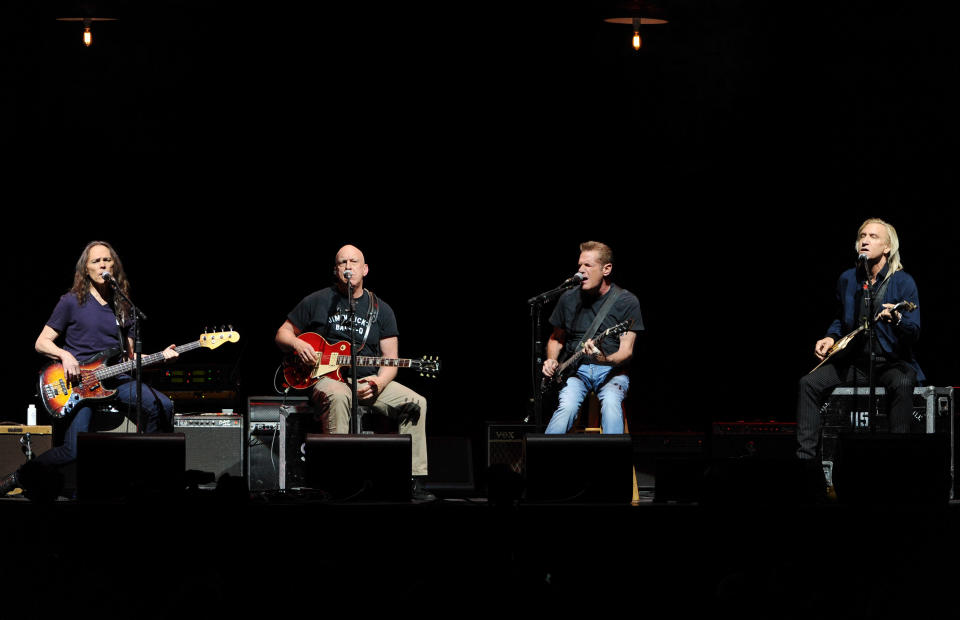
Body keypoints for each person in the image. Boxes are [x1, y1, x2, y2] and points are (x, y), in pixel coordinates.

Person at [0, 241, 178, 498]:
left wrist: (162, 357)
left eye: (107, 260)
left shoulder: (124, 306)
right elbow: (41, 342)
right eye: (96, 261)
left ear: (115, 265)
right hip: (77, 384)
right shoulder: (71, 301)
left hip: (116, 378)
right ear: (85, 270)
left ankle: (147, 477)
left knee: (163, 406)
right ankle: (21, 475)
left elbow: (131, 356)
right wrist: (65, 356)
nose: (103, 264)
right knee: (72, 449)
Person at [275, 244, 434, 501]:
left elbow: (390, 359)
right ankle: (339, 480)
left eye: (354, 261)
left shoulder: (381, 309)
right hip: (328, 378)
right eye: (342, 262)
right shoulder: (317, 301)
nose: (348, 267)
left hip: (370, 379)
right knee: (338, 396)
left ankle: (413, 480)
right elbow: (282, 333)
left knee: (416, 402)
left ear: (365, 269)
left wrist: (380, 383)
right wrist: (298, 343)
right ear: (335, 270)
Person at [796, 218, 922, 462]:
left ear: (887, 248)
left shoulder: (903, 282)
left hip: (889, 363)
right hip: (853, 363)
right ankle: (805, 465)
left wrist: (897, 320)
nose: (865, 240)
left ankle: (898, 463)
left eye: (873, 237)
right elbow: (840, 317)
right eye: (862, 236)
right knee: (808, 384)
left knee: (905, 382)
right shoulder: (847, 279)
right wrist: (830, 336)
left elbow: (914, 330)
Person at [541, 241, 644, 434]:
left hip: (611, 372)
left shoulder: (626, 301)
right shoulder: (568, 298)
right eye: (580, 265)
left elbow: (626, 351)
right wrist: (552, 360)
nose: (580, 271)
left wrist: (604, 359)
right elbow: (556, 337)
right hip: (575, 371)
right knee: (567, 408)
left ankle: (612, 462)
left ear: (606, 269)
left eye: (588, 265)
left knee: (612, 406)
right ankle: (544, 461)